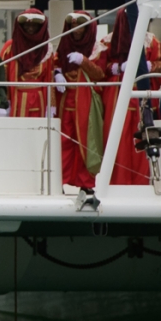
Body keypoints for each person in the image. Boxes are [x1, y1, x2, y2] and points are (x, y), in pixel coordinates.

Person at [92, 9, 161, 186]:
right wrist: (117, 68)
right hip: (117, 98)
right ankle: (116, 182)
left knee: (142, 137)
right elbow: (102, 68)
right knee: (116, 139)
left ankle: (141, 182)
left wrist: (151, 65)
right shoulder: (108, 41)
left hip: (142, 97)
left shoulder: (152, 41)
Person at [55, 11, 104, 194]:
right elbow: (55, 61)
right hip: (65, 101)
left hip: (86, 103)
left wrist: (83, 61)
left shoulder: (97, 48)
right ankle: (60, 180)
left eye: (80, 26)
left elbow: (100, 73)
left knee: (86, 141)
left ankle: (86, 183)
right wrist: (57, 73)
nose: (76, 30)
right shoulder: (64, 44)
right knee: (64, 142)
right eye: (73, 26)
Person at [0, 8, 56, 118]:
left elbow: (50, 77)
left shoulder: (46, 49)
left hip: (39, 99)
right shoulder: (10, 47)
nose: (30, 28)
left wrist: (51, 104)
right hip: (17, 97)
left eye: (35, 25)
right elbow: (3, 75)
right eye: (27, 25)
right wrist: (4, 102)